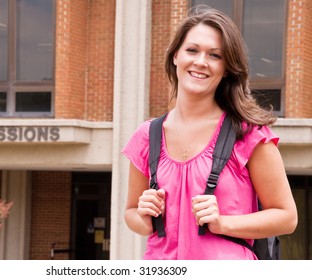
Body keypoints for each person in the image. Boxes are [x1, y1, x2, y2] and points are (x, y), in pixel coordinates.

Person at [122, 5, 297, 260]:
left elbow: (286, 217)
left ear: (226, 68)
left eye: (215, 55)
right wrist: (143, 216)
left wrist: (223, 222)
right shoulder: (147, 135)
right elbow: (131, 214)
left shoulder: (249, 134)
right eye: (192, 50)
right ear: (175, 56)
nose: (201, 62)